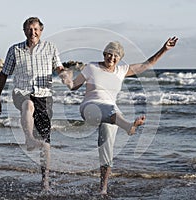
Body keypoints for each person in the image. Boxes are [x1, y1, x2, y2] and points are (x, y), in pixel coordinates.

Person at [60, 36, 178, 194]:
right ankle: (128, 126)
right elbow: (74, 86)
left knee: (106, 150)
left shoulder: (122, 70)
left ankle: (103, 189)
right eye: (109, 53)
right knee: (111, 111)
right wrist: (67, 79)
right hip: (90, 107)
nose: (112, 57)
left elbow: (146, 65)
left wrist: (164, 49)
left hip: (112, 112)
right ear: (104, 54)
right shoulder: (91, 67)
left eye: (116, 55)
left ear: (120, 58)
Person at [0, 17, 64, 190]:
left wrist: (66, 76)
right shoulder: (15, 50)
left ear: (41, 30)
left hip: (44, 96)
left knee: (46, 141)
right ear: (24, 31)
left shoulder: (50, 48)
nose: (33, 32)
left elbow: (59, 68)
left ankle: (45, 181)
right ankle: (29, 139)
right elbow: (4, 74)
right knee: (28, 105)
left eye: (35, 29)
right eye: (29, 29)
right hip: (22, 92)